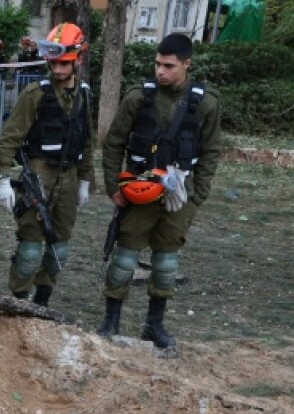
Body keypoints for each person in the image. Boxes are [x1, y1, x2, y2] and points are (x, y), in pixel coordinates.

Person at [98, 33, 222, 349]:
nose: (160, 72)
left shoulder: (206, 103)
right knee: (124, 258)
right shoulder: (138, 98)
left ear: (186, 64)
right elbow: (114, 143)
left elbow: (210, 152)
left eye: (168, 66)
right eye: (157, 64)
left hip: (180, 196)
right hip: (138, 191)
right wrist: (114, 186)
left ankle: (154, 325)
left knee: (166, 264)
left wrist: (198, 196)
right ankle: (110, 322)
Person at [0, 23, 94, 307]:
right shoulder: (35, 93)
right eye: (54, 63)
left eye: (65, 63)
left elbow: (86, 140)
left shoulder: (84, 95)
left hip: (70, 177)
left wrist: (86, 181)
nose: (58, 69)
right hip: (39, 173)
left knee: (59, 249)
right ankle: (19, 301)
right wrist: (3, 178)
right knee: (30, 252)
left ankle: (43, 302)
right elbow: (9, 138)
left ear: (78, 60)